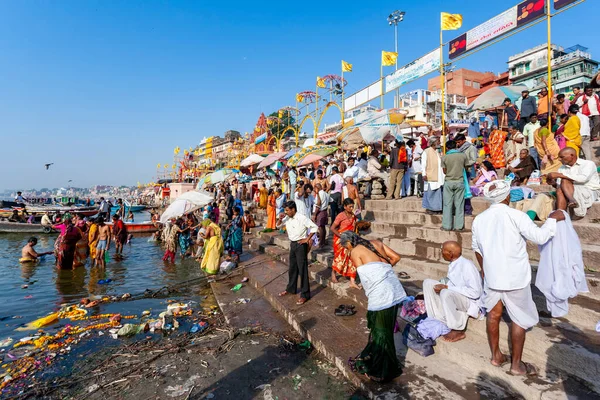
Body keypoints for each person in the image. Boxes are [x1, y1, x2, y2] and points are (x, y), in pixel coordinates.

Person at [472, 180, 564, 376]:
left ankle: (496, 356)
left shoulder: (479, 220)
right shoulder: (516, 215)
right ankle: (516, 366)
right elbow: (540, 237)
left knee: (494, 315)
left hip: (492, 277)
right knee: (519, 319)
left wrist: (484, 269)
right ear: (506, 197)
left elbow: (476, 249)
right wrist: (552, 220)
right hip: (515, 278)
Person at [339, 231, 405, 382]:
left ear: (348, 244)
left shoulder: (355, 251)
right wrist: (384, 271)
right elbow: (396, 258)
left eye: (346, 248)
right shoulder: (377, 243)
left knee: (382, 333)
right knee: (384, 331)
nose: (347, 250)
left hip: (381, 295)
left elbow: (364, 275)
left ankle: (384, 371)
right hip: (394, 291)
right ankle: (380, 361)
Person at [423, 241, 482, 342]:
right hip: (455, 295)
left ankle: (457, 329)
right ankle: (437, 318)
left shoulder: (467, 265)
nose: (441, 252)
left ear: (451, 253)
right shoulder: (453, 264)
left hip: (469, 300)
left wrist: (447, 287)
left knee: (446, 293)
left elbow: (475, 292)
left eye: (443, 251)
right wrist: (445, 286)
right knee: (428, 283)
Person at [277, 201, 318, 305]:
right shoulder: (287, 218)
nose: (286, 212)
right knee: (292, 268)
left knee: (302, 269)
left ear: (293, 209)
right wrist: (280, 219)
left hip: (301, 244)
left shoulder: (302, 218)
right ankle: (291, 288)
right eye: (285, 210)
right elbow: (278, 226)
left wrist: (307, 239)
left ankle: (305, 295)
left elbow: (315, 227)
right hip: (293, 244)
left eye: (287, 210)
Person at [547, 147, 600, 218]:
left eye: (562, 157)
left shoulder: (588, 164)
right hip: (569, 190)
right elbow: (560, 186)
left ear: (572, 155)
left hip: (590, 190)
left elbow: (582, 179)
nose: (559, 159)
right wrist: (553, 183)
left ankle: (562, 211)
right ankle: (569, 203)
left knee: (564, 179)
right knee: (561, 185)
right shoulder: (562, 168)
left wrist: (560, 175)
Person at [330, 198, 361, 289]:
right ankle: (333, 273)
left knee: (352, 259)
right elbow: (332, 228)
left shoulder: (353, 216)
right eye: (350, 207)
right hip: (340, 240)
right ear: (345, 207)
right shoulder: (340, 215)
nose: (351, 208)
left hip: (350, 240)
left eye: (352, 206)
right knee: (339, 259)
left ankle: (352, 281)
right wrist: (341, 236)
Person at [441, 140, 469, 231]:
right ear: (456, 146)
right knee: (459, 205)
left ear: (448, 148)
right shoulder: (463, 155)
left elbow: (444, 171)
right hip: (460, 181)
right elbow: (466, 167)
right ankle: (459, 226)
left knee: (447, 204)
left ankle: (447, 226)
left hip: (449, 181)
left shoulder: (444, 157)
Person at [422, 136, 445, 214]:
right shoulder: (426, 151)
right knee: (431, 192)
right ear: (434, 142)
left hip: (439, 175)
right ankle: (431, 208)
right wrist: (424, 174)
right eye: (438, 141)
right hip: (430, 175)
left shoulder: (437, 151)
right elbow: (423, 164)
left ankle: (437, 208)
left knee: (438, 192)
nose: (439, 143)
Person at [312, 183, 329, 247]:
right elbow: (331, 200)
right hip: (324, 211)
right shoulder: (326, 194)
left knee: (320, 228)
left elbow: (318, 204)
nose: (313, 190)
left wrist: (314, 214)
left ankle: (321, 242)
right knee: (323, 227)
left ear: (317, 188)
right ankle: (323, 241)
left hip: (320, 212)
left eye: (314, 188)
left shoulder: (320, 194)